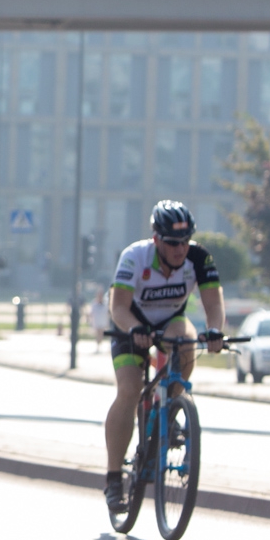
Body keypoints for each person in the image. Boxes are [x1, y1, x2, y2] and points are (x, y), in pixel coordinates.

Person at [102, 201, 226, 516]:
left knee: (185, 341)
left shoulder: (199, 257)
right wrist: (135, 330)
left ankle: (170, 411)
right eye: (172, 243)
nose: (180, 249)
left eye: (184, 242)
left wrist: (214, 331)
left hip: (171, 320)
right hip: (130, 323)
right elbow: (118, 307)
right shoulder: (134, 256)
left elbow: (213, 300)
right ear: (156, 239)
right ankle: (114, 477)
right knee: (129, 390)